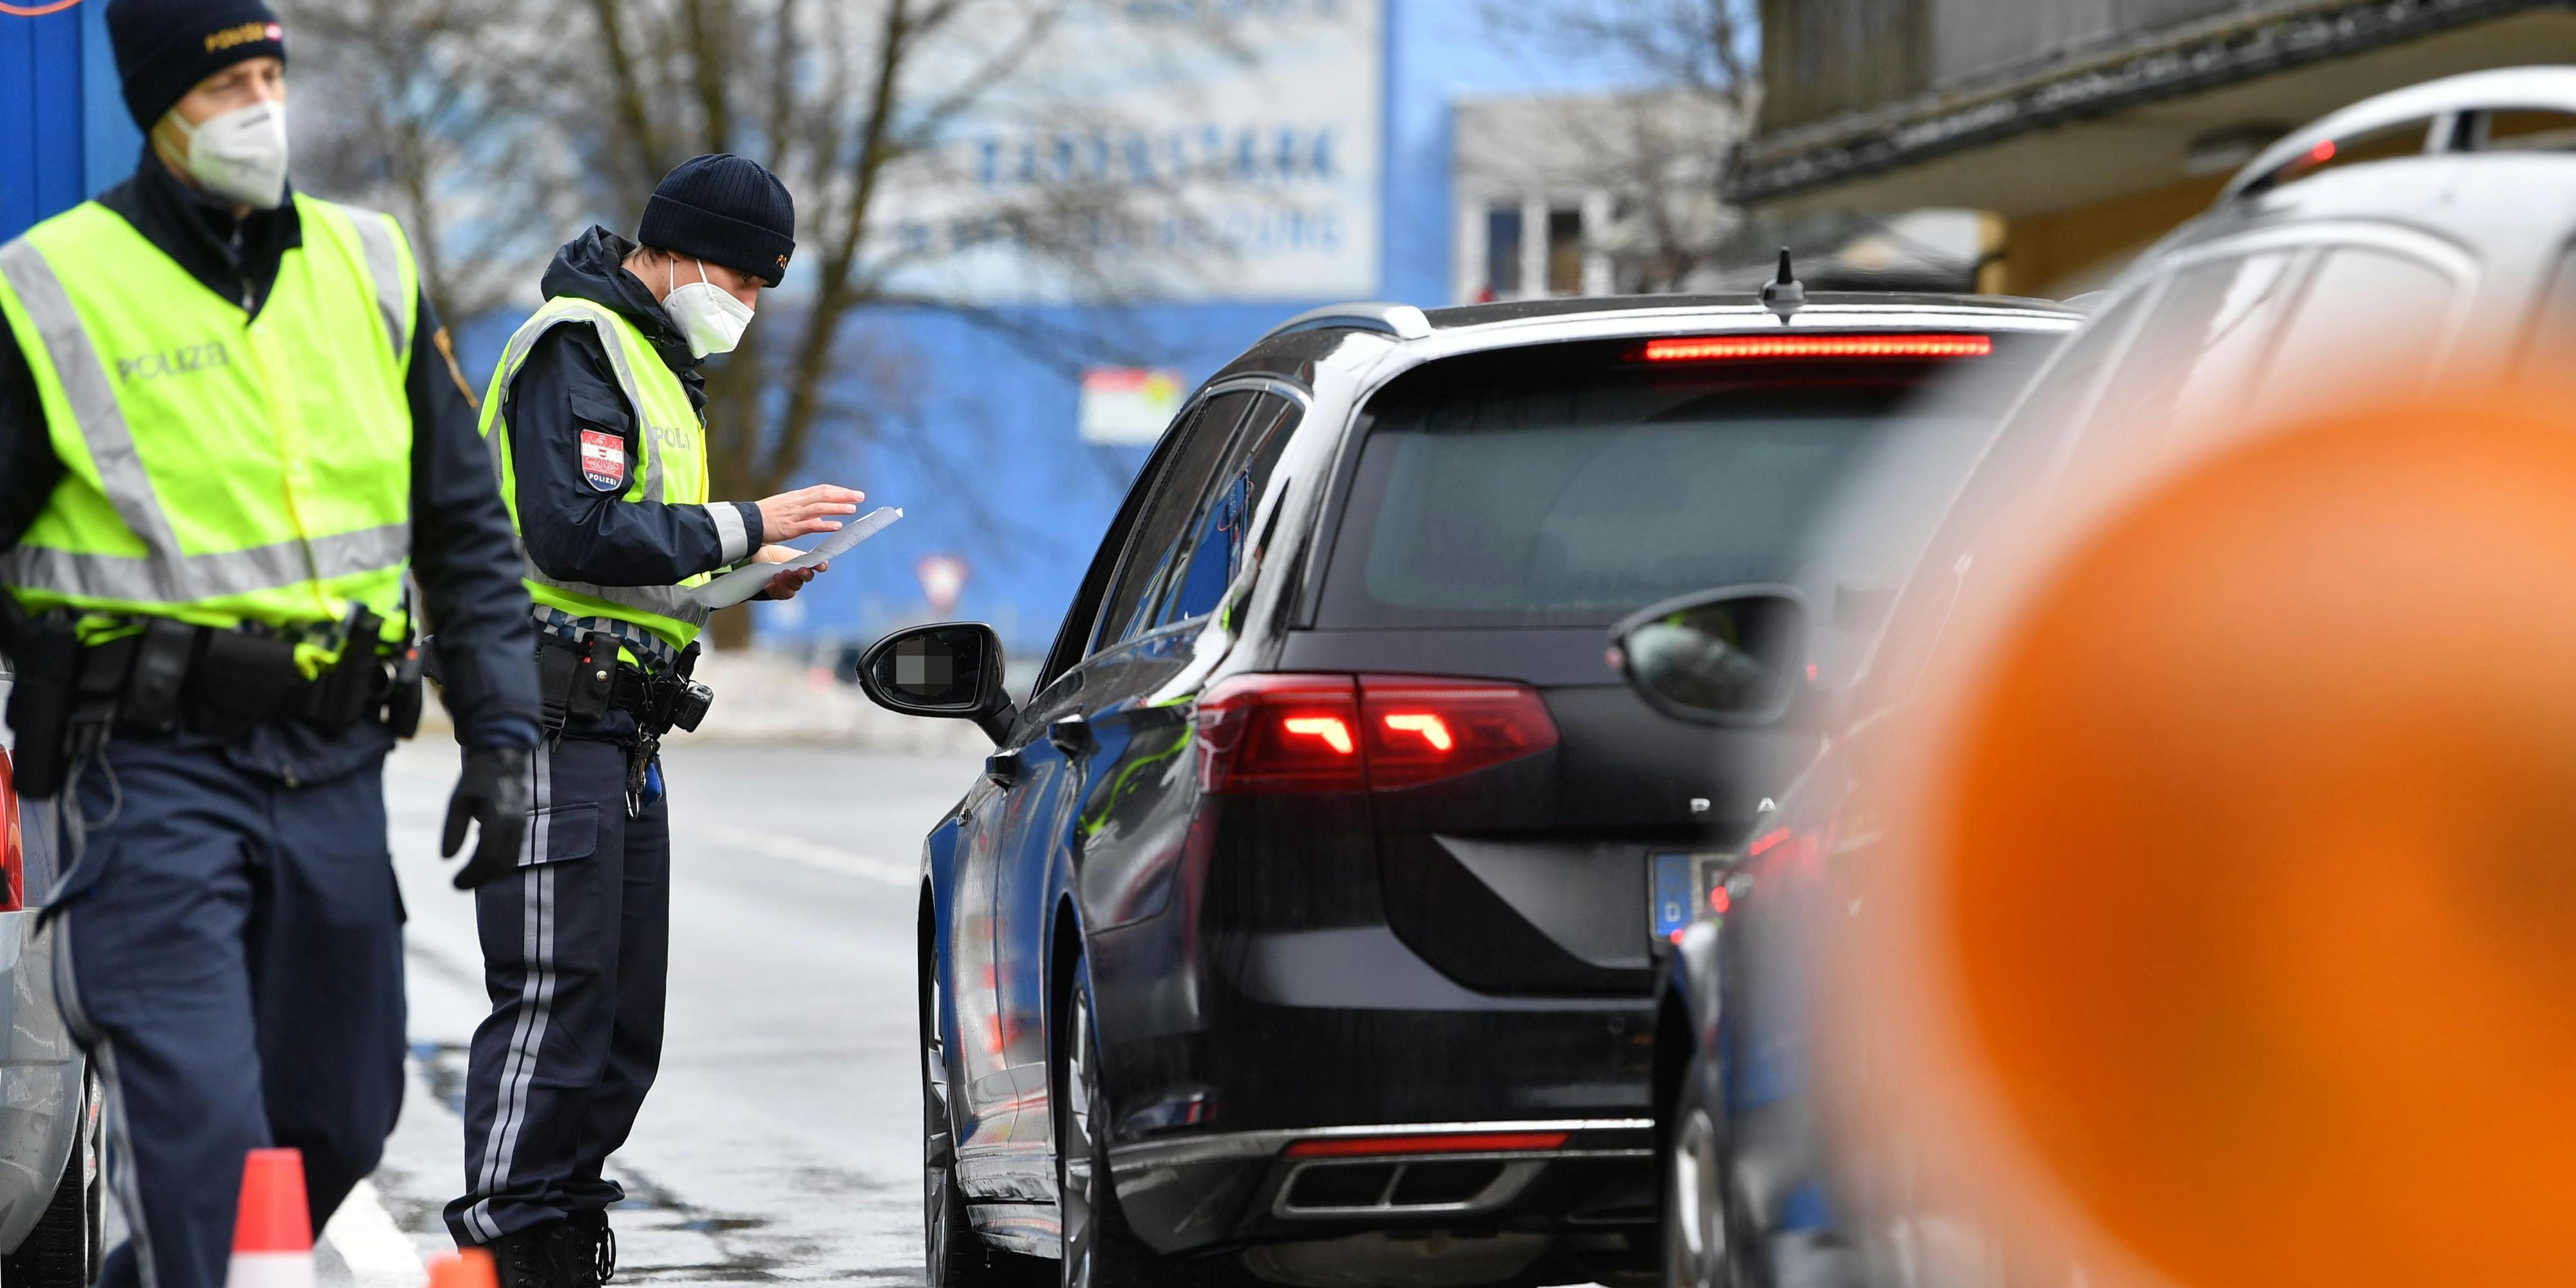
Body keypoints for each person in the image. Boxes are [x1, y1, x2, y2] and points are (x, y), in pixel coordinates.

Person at [0, 2, 544, 1286]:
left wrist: (506, 731)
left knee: (337, 1115)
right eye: (222, 80)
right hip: (146, 779)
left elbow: (463, 525)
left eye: (267, 72)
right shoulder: (52, 287)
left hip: (329, 767)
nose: (257, 104)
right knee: (204, 1147)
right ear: (156, 107)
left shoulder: (369, 263)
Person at [444, 154, 863, 1287]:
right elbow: (570, 535)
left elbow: (627, 562)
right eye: (740, 276)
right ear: (669, 250)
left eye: (766, 287)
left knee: (622, 1029)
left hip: (622, 736)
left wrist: (734, 581)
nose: (749, 305)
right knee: (553, 1007)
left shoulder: (658, 363)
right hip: (549, 725)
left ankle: (567, 1234)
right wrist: (739, 524)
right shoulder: (576, 347)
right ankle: (514, 1246)